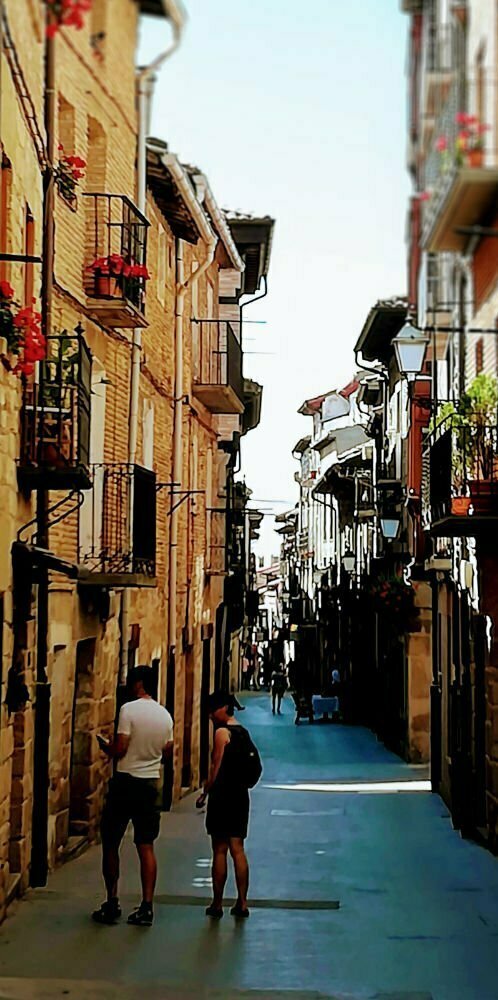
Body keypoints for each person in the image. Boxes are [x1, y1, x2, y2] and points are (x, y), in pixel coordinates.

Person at [92, 665, 174, 927]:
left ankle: (112, 900)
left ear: (139, 684)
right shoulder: (165, 716)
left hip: (126, 782)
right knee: (146, 845)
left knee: (111, 841)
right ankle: (147, 906)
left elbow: (121, 747)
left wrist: (107, 747)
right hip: (150, 783)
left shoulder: (128, 710)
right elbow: (168, 750)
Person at [196, 692, 253, 920]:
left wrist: (205, 792)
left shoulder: (222, 733)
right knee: (238, 849)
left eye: (212, 710)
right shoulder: (244, 732)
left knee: (219, 849)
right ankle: (242, 901)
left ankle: (217, 903)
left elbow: (215, 767)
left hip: (222, 796)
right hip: (240, 796)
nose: (210, 715)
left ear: (223, 708)